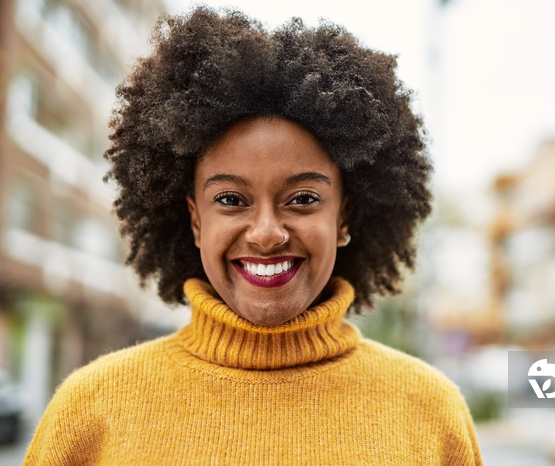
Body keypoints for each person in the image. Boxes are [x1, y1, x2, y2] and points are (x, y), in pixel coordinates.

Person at [23, 7, 483, 465]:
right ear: (195, 220)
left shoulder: (430, 412)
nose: (266, 235)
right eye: (230, 200)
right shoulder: (90, 412)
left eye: (302, 199)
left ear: (344, 217)